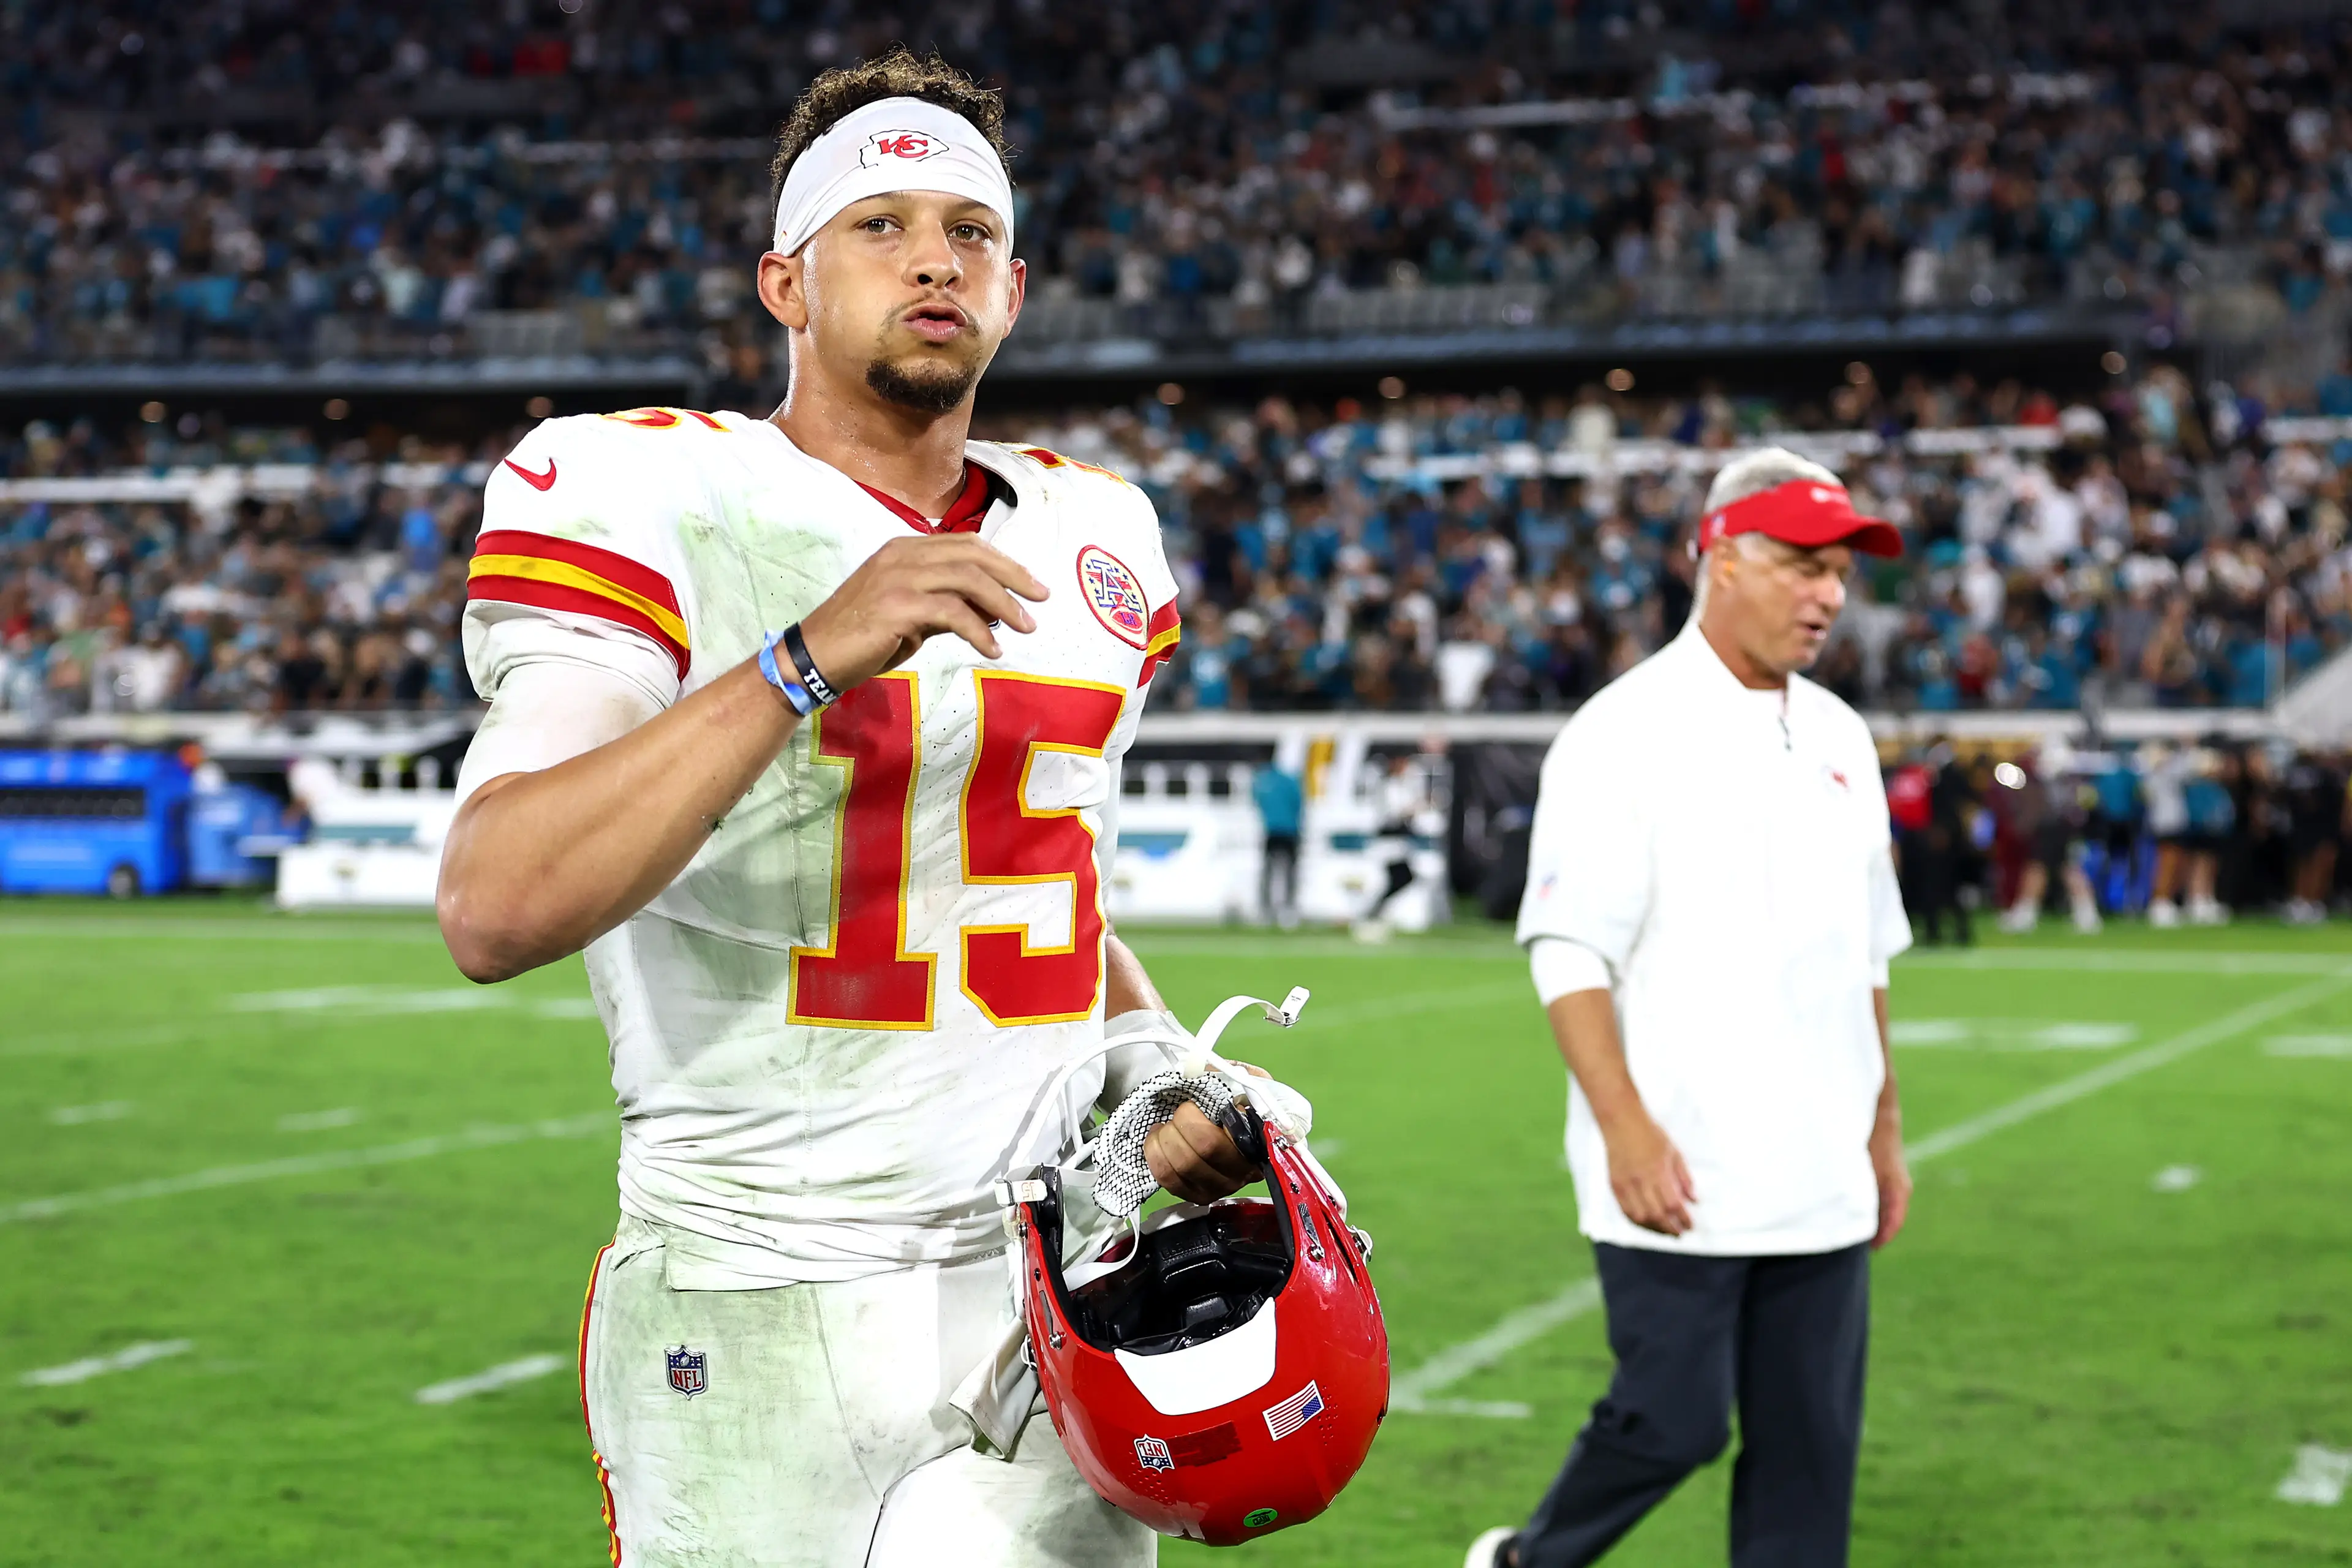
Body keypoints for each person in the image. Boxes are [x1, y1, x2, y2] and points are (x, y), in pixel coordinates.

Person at [435, 51, 1280, 1568]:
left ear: (1012, 292)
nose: (931, 257)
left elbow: (1038, 875)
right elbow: (496, 902)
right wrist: (804, 656)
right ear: (785, 281)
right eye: (879, 225)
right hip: (756, 1291)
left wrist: (1152, 1062)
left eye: (966, 229)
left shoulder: (1099, 537)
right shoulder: (640, 495)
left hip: (1047, 1282)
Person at [1468, 450, 1913, 1568]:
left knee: (1810, 1469)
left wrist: (1886, 1127)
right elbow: (1568, 954)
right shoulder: (1625, 733)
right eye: (1803, 566)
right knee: (1673, 1423)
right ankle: (1528, 1560)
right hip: (1682, 1166)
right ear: (1719, 559)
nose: (1829, 596)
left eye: (1841, 574)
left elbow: (1869, 957)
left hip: (1822, 1171)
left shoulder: (1844, 737)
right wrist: (1624, 1128)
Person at [1252, 759, 1303, 928]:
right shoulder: (1290, 781)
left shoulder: (1262, 781)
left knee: (1269, 872)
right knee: (1290, 873)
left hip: (1273, 830)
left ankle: (1266, 909)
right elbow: (1299, 804)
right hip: (1290, 831)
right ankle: (1288, 909)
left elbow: (1257, 802)